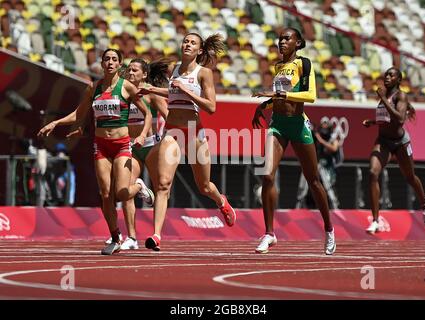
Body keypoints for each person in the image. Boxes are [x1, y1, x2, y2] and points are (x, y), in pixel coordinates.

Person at [37, 48, 154, 255]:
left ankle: (138, 186)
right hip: (101, 146)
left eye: (114, 59)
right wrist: (55, 123)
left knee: (121, 192)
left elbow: (147, 114)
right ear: (102, 64)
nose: (110, 62)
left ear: (120, 64)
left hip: (121, 145)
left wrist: (143, 135)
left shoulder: (126, 87)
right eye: (106, 59)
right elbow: (78, 114)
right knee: (105, 194)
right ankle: (116, 237)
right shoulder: (93, 88)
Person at [138, 33, 237, 251]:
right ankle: (156, 235)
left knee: (204, 186)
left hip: (194, 133)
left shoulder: (204, 73)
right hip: (173, 131)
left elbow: (211, 107)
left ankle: (222, 201)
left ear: (200, 51)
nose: (187, 44)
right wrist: (153, 89)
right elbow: (173, 92)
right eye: (185, 41)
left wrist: (188, 93)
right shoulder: (174, 68)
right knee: (163, 184)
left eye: (192, 42)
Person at [252, 28, 336, 255]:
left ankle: (329, 229)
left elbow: (310, 95)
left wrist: (280, 96)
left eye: (287, 38)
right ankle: (269, 233)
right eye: (280, 39)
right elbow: (280, 98)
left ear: (298, 43)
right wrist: (264, 106)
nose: (281, 42)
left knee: (314, 181)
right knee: (267, 175)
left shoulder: (304, 63)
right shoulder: (278, 67)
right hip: (277, 124)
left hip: (298, 125)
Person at [104, 58, 169, 250]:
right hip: (130, 147)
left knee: (161, 188)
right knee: (125, 191)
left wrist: (167, 139)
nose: (130, 73)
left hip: (151, 146)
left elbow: (168, 116)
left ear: (144, 74)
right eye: (129, 70)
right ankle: (132, 238)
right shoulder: (122, 90)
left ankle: (156, 235)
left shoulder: (149, 93)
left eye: (134, 71)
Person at [362, 67, 425, 233]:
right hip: (384, 142)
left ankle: (424, 203)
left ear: (398, 80)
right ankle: (375, 220)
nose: (387, 77)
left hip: (401, 143)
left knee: (409, 177)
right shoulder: (383, 97)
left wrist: (383, 99)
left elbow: (400, 119)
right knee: (373, 173)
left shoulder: (400, 96)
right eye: (386, 74)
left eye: (391, 75)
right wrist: (373, 122)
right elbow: (386, 119)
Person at [296, 118, 341, 209]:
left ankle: (335, 206)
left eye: (326, 125)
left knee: (329, 188)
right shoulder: (316, 136)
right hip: (316, 165)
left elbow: (334, 148)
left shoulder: (332, 138)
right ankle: (299, 204)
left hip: (327, 169)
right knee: (306, 184)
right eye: (322, 125)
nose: (324, 128)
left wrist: (321, 141)